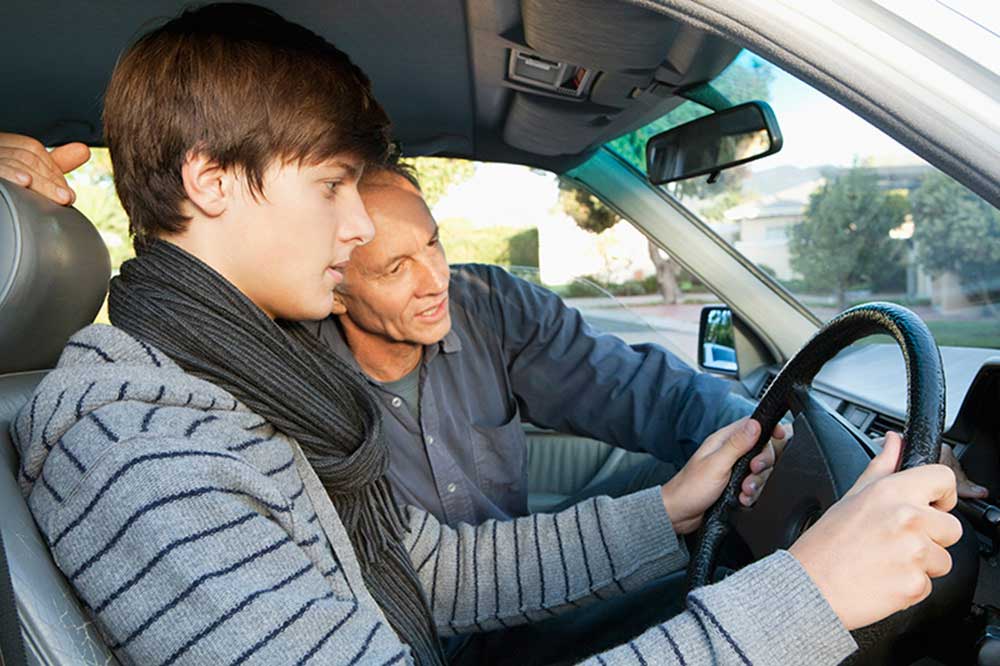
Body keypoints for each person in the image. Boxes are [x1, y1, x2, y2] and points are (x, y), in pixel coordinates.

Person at [4, 4, 965, 664]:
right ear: (212, 180)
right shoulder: (143, 447)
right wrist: (809, 596)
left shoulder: (239, 382)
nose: (353, 227)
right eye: (331, 185)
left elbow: (427, 569)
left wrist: (669, 508)